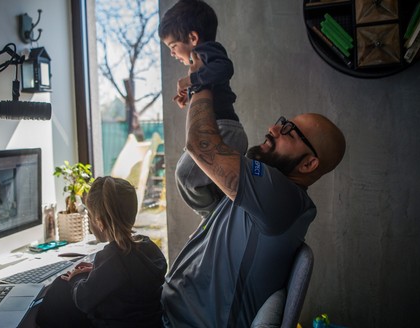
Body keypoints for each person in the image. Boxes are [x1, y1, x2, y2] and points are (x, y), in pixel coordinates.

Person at [161, 68, 346, 326]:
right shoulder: (269, 195)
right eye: (283, 122)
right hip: (168, 307)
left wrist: (199, 80)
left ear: (309, 164)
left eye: (289, 132)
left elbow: (200, 144)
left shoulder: (283, 198)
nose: (273, 128)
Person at [36, 176, 167, 328]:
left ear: (99, 222)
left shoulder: (111, 257)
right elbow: (130, 273)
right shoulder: (149, 247)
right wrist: (98, 270)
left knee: (61, 286)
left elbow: (84, 299)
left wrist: (75, 279)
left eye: (90, 216)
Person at [159, 0, 248, 218]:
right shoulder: (200, 63)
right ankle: (220, 216)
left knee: (186, 175)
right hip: (223, 128)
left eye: (172, 47)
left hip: (224, 128)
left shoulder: (207, 50)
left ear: (193, 38)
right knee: (204, 179)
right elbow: (209, 89)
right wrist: (189, 94)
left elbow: (224, 68)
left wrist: (192, 81)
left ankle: (213, 218)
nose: (172, 54)